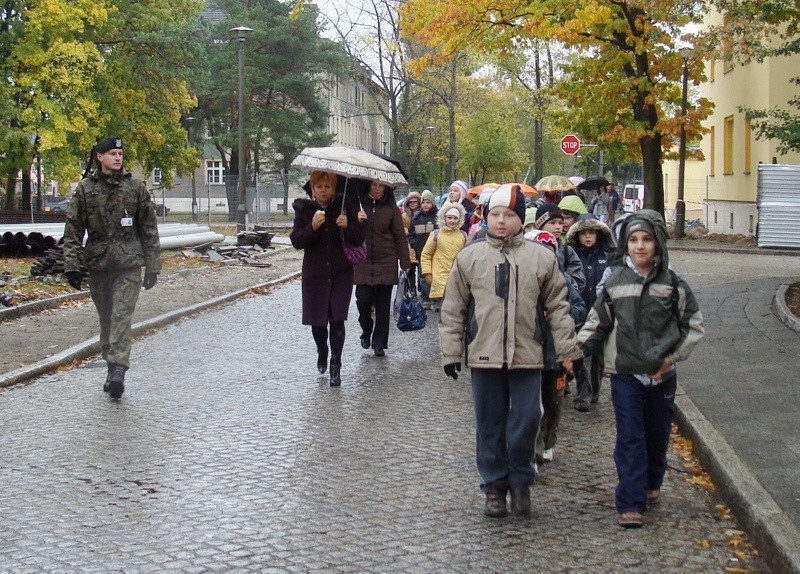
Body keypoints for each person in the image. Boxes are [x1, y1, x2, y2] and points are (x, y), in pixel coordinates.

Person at [439, 184, 581, 518]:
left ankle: (520, 481)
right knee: (489, 424)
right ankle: (494, 486)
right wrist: (450, 351)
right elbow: (454, 308)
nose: (501, 222)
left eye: (509, 215)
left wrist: (567, 350)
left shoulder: (541, 258)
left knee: (528, 419)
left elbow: (559, 308)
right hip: (484, 353)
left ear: (521, 219)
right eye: (496, 215)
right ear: (487, 217)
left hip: (528, 354)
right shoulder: (470, 257)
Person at [576, 210, 704, 528]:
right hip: (625, 373)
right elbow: (597, 323)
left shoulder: (673, 284)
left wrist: (672, 358)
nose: (640, 246)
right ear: (625, 244)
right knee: (630, 436)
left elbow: (692, 326)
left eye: (646, 239)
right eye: (633, 240)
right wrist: (573, 353)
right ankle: (630, 501)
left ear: (658, 243)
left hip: (662, 374)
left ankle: (651, 481)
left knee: (657, 434)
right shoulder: (616, 281)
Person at [62, 136, 161, 399]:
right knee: (106, 317)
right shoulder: (85, 189)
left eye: (120, 153)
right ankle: (111, 366)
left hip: (128, 263)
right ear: (100, 157)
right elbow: (73, 230)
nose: (118, 157)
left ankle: (119, 369)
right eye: (112, 153)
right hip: (99, 264)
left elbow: (149, 228)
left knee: (121, 315)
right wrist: (71, 265)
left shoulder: (135, 187)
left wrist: (153, 266)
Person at [290, 170, 365, 387]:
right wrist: (312, 227)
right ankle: (322, 350)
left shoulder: (344, 207)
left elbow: (359, 238)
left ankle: (336, 365)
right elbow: (296, 241)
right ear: (313, 190)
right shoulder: (305, 210)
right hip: (315, 275)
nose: (323, 191)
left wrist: (348, 225)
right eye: (319, 187)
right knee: (318, 323)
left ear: (333, 189)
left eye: (327, 187)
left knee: (337, 319)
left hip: (341, 274)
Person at [523, 229, 587, 466]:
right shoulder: (524, 281)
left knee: (553, 402)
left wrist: (562, 314)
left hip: (556, 356)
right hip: (529, 353)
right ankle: (532, 450)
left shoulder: (564, 281)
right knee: (530, 406)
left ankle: (549, 440)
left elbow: (580, 307)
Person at [354, 180, 412, 357]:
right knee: (362, 299)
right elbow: (347, 232)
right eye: (374, 185)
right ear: (368, 186)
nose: (378, 189)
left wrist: (405, 262)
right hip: (363, 261)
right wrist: (355, 220)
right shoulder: (358, 205)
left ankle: (379, 343)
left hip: (386, 261)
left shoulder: (391, 208)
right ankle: (366, 328)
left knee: (382, 305)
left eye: (382, 185)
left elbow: (399, 236)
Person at [565, 217, 614, 410]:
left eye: (591, 233)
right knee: (581, 352)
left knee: (599, 356)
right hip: (580, 310)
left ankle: (594, 391)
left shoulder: (607, 255)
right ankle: (582, 394)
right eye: (584, 233)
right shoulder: (573, 255)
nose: (587, 237)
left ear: (598, 234)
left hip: (601, 311)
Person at [420, 202, 467, 312]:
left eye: (455, 218)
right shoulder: (436, 235)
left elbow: (466, 258)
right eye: (449, 217)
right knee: (443, 311)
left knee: (455, 311)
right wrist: (427, 274)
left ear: (459, 219)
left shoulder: (463, 236)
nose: (452, 221)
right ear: (444, 218)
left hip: (456, 279)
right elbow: (426, 255)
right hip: (439, 279)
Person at [408, 190, 439, 308]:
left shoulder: (437, 217)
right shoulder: (416, 217)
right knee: (423, 275)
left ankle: (435, 298)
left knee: (435, 275)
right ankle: (426, 298)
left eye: (428, 202)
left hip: (435, 252)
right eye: (424, 202)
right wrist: (414, 245)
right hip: (421, 252)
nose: (425, 205)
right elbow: (411, 234)